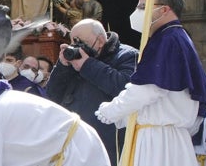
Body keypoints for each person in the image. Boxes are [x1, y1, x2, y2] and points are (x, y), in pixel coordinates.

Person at [96, 0, 206, 166]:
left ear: (164, 10)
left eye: (143, 7)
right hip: (170, 137)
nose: (137, 12)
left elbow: (148, 90)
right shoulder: (176, 37)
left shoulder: (167, 39)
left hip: (158, 142)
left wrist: (113, 110)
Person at [47, 18, 138, 165]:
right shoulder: (73, 59)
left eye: (82, 43)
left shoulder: (128, 55)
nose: (78, 47)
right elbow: (52, 96)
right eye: (73, 42)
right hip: (76, 141)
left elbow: (125, 88)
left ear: (100, 41)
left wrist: (87, 65)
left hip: (110, 143)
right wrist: (63, 66)